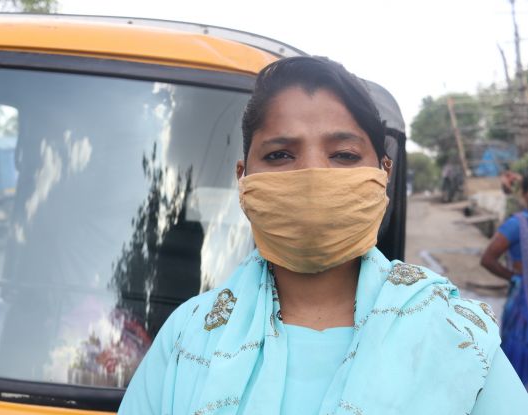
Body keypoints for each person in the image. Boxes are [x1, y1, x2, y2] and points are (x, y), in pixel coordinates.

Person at [119, 56, 528, 414]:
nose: (313, 176)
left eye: (344, 155)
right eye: (280, 154)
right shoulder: (189, 334)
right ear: (243, 178)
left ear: (384, 173)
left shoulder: (452, 333)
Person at [481, 176, 528, 387]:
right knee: (515, 363)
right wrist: (515, 278)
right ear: (525, 195)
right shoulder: (517, 224)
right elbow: (488, 259)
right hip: (522, 306)